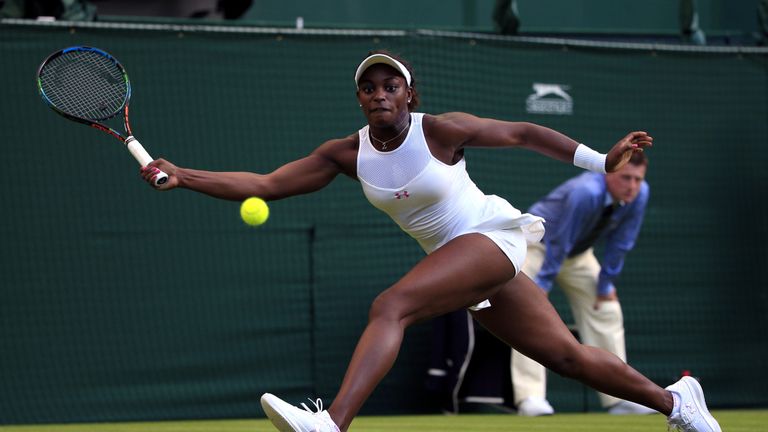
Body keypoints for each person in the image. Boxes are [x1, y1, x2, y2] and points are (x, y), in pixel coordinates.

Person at [140, 50, 721, 432]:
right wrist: (184, 174)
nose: (379, 94)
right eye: (368, 88)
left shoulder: (439, 131)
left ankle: (332, 423)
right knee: (566, 357)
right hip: (465, 264)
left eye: (391, 85)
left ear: (410, 96)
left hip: (492, 237)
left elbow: (520, 131)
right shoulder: (346, 154)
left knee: (391, 306)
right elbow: (264, 185)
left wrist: (602, 161)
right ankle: (679, 404)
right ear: (360, 101)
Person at [511, 151, 657, 417]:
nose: (632, 186)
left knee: (607, 310)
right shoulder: (586, 192)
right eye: (626, 178)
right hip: (537, 247)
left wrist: (605, 285)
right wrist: (543, 283)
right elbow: (560, 240)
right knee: (527, 316)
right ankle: (530, 398)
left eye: (637, 179)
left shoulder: (640, 194)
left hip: (577, 255)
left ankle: (619, 396)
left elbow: (622, 242)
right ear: (609, 173)